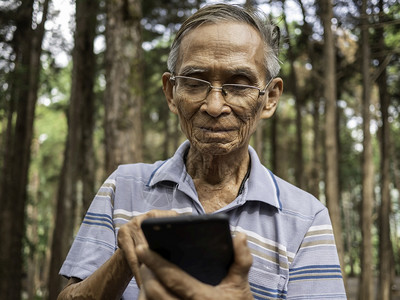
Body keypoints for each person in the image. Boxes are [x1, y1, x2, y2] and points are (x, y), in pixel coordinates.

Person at [58, 3, 347, 299]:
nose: (214, 106)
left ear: (270, 98)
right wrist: (126, 259)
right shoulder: (123, 186)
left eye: (238, 84)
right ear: (171, 92)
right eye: (195, 83)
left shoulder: (306, 218)